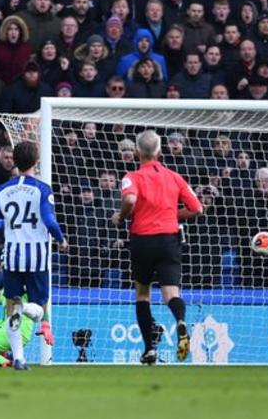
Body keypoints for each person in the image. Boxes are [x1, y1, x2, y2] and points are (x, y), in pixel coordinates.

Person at [111, 130, 203, 365]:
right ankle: (181, 321)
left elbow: (130, 200)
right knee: (171, 292)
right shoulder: (174, 176)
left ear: (138, 152)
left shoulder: (132, 176)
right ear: (160, 152)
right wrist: (173, 215)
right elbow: (197, 208)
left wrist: (120, 217)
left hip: (143, 240)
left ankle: (149, 349)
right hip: (169, 240)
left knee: (143, 294)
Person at [0, 141, 68, 370]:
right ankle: (25, 309)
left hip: (11, 257)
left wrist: (7, 224)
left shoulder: (2, 190)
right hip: (37, 257)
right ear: (36, 160)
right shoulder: (42, 189)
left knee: (11, 308)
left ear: (14, 162)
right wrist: (60, 239)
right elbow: (49, 221)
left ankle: (19, 358)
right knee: (39, 308)